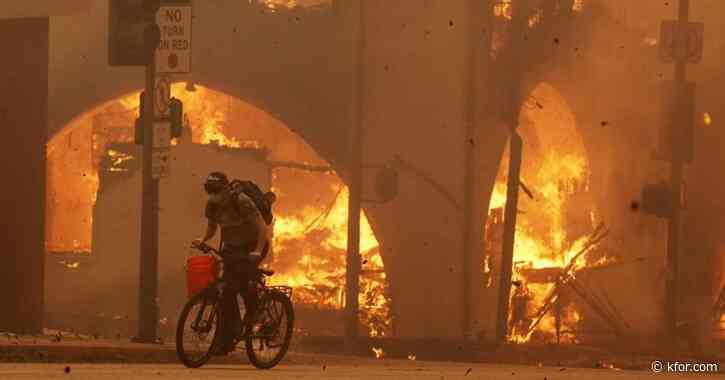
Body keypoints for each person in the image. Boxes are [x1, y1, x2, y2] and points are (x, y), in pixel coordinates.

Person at [192, 171, 271, 355]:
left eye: (217, 190)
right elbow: (212, 227)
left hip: (253, 245)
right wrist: (203, 240)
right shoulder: (212, 205)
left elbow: (262, 228)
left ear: (226, 188)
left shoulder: (241, 201)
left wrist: (257, 251)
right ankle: (230, 334)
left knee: (241, 283)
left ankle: (255, 315)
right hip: (232, 247)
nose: (214, 195)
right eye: (210, 191)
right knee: (227, 290)